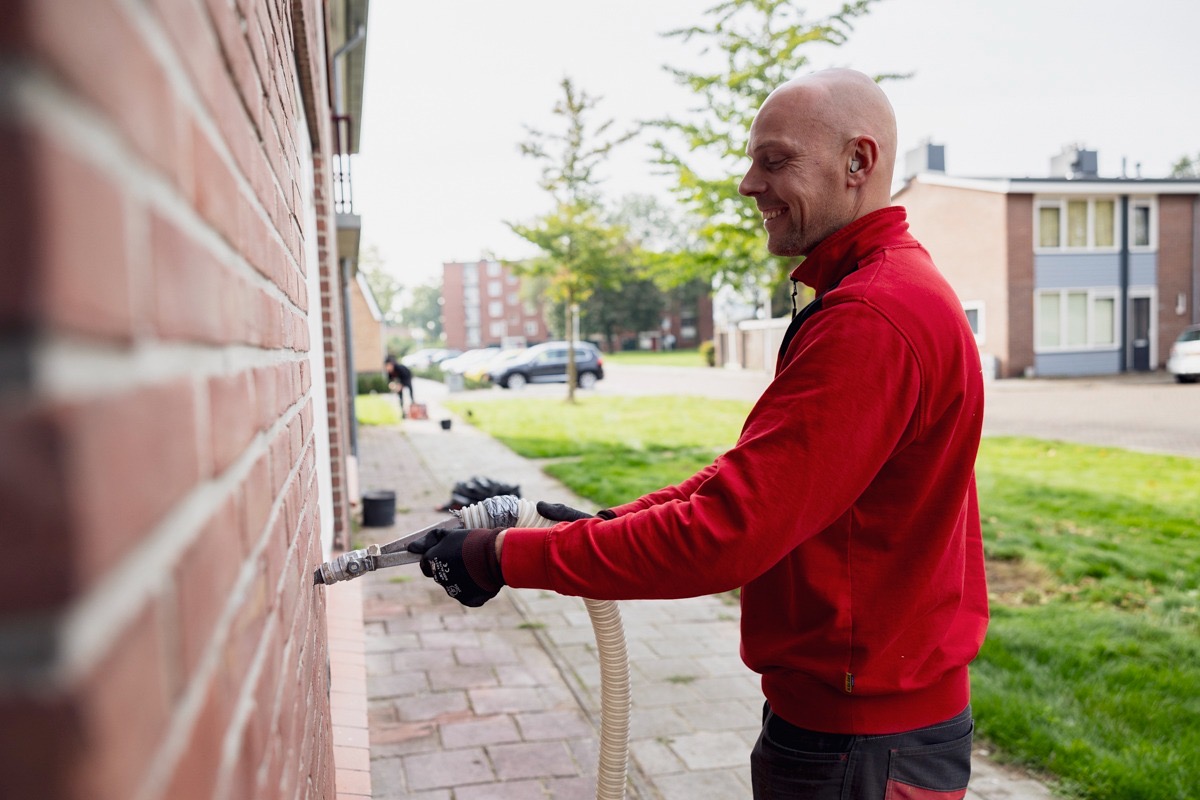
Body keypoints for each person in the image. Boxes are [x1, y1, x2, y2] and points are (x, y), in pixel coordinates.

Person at [407, 68, 988, 799]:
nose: (749, 184)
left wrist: (502, 556)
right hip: (860, 731)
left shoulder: (871, 317)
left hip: (861, 747)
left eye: (774, 161)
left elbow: (726, 532)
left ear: (858, 163)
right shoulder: (879, 291)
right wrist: (596, 526)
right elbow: (746, 479)